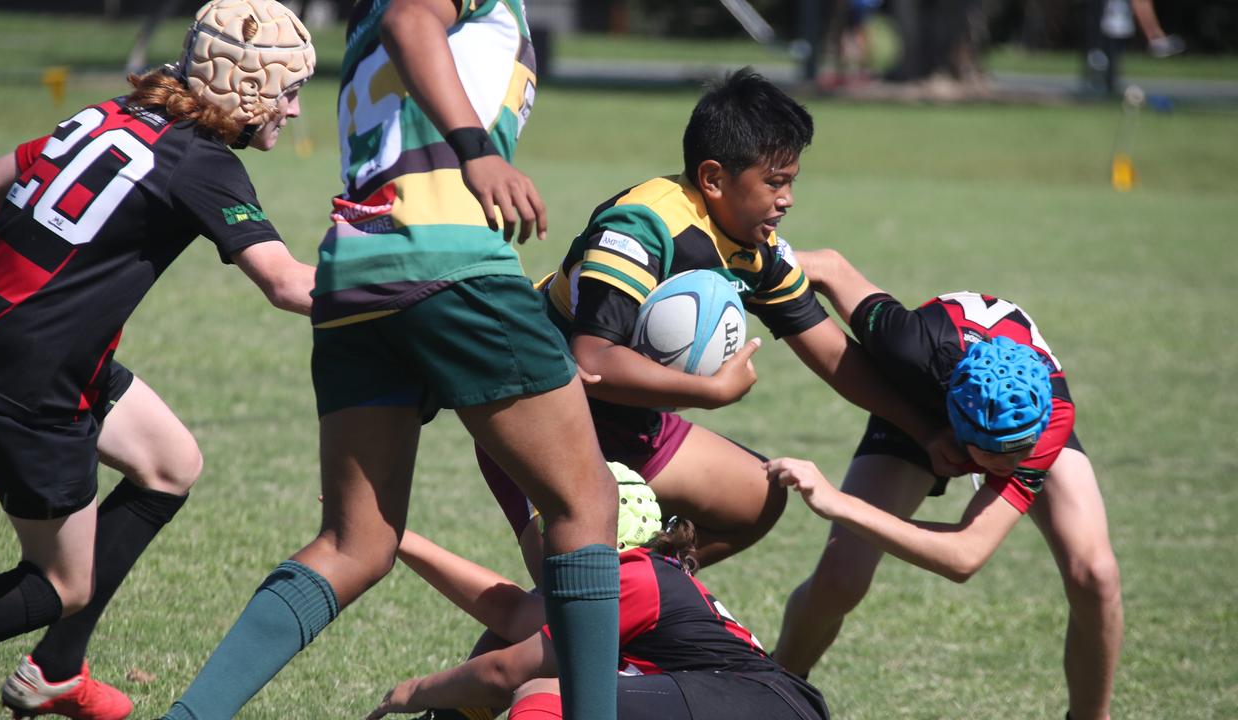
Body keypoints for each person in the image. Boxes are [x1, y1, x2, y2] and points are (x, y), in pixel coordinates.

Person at [157, 1, 621, 719]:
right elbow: (413, 18)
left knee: (356, 545)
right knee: (585, 502)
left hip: (356, 272)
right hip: (450, 259)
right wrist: (478, 150)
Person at [0, 1, 317, 718]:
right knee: (60, 585)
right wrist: (414, 287)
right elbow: (286, 284)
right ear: (246, 89)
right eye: (288, 91)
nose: (296, 110)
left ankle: (55, 670)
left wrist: (50, 292)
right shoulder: (203, 161)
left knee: (170, 463)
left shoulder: (118, 112)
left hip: (15, 340)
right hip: (32, 374)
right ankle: (55, 641)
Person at [478, 68, 963, 583]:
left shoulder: (757, 250)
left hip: (624, 416)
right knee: (572, 581)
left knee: (755, 497)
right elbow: (592, 359)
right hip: (538, 407)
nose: (787, 199)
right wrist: (709, 392)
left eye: (792, 181)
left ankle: (647, 591)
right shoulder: (643, 226)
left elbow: (830, 352)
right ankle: (565, 623)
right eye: (774, 182)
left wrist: (925, 430)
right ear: (712, 179)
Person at [768, 249, 1122, 720]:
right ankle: (775, 693)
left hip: (1010, 403)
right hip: (930, 397)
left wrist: (836, 502)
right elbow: (828, 268)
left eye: (1017, 453)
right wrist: (733, 259)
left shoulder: (1045, 416)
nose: (1006, 466)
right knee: (840, 580)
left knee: (1096, 575)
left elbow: (964, 555)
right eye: (994, 458)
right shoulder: (907, 345)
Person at [366, 465, 830, 720]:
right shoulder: (646, 572)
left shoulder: (633, 578)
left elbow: (507, 671)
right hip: (754, 702)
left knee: (545, 687)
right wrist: (397, 535)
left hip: (762, 704)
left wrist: (413, 692)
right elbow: (512, 615)